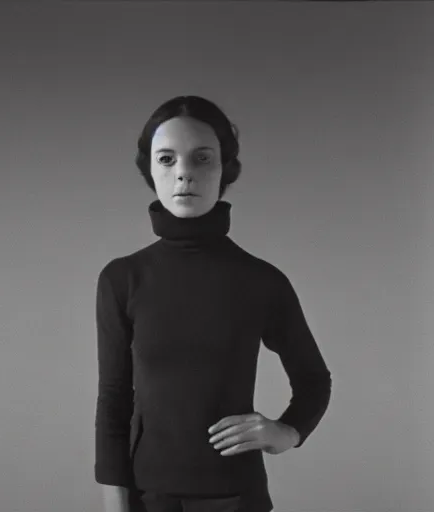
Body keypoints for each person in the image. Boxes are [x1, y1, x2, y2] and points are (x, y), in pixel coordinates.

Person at [95, 96, 332, 512]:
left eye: (202, 158)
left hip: (237, 499)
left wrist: (288, 431)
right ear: (150, 170)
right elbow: (114, 400)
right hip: (147, 500)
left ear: (225, 170)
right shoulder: (122, 278)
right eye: (167, 159)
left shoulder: (260, 280)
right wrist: (115, 504)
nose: (183, 173)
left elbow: (314, 380)